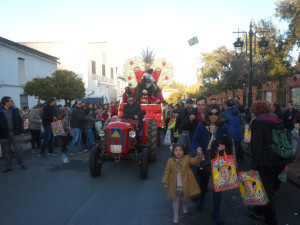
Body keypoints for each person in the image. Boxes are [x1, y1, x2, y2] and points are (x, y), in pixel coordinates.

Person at [249, 101, 292, 225]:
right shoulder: (276, 120)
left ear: (255, 110)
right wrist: (285, 163)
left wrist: (253, 167)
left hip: (266, 162)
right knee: (266, 187)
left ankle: (271, 221)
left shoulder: (258, 122)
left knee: (265, 193)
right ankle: (257, 210)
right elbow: (282, 141)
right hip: (279, 161)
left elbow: (257, 146)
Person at [192, 103, 229, 225]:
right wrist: (197, 148)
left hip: (218, 160)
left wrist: (224, 147)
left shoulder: (223, 127)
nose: (214, 116)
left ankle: (216, 213)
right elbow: (195, 140)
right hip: (204, 159)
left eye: (216, 114)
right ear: (207, 114)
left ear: (219, 115)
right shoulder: (201, 126)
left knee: (217, 188)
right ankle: (201, 200)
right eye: (211, 114)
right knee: (203, 184)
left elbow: (229, 141)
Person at [162, 143, 205, 224]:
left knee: (184, 198)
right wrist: (166, 182)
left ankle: (185, 204)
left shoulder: (187, 158)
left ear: (183, 151)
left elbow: (196, 160)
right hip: (175, 184)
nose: (178, 152)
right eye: (176, 150)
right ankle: (176, 215)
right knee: (175, 200)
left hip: (185, 184)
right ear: (173, 152)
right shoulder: (170, 161)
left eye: (180, 150)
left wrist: (200, 155)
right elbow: (167, 172)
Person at [0, 96, 27, 173]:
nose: (12, 102)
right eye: (11, 101)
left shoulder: (15, 110)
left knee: (18, 150)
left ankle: (21, 163)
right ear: (6, 103)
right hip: (4, 134)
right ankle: (8, 166)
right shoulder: (0, 111)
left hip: (15, 133)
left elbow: (20, 121)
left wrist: (22, 132)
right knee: (6, 151)